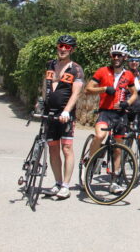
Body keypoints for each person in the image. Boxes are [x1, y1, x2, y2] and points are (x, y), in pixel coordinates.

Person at [84, 43, 138, 194]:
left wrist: (128, 102)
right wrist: (103, 89)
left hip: (120, 114)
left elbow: (134, 93)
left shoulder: (129, 75)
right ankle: (90, 163)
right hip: (105, 112)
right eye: (114, 55)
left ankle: (114, 181)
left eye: (119, 55)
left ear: (125, 57)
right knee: (100, 136)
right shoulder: (102, 71)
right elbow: (88, 89)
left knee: (118, 149)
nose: (116, 58)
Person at [40, 35, 84, 199]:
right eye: (61, 45)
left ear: (72, 50)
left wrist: (66, 111)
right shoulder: (50, 65)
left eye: (67, 47)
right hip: (49, 112)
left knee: (66, 148)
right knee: (52, 147)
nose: (63, 49)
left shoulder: (76, 69)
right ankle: (57, 182)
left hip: (65, 114)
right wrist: (41, 101)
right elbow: (46, 85)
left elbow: (76, 93)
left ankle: (65, 185)